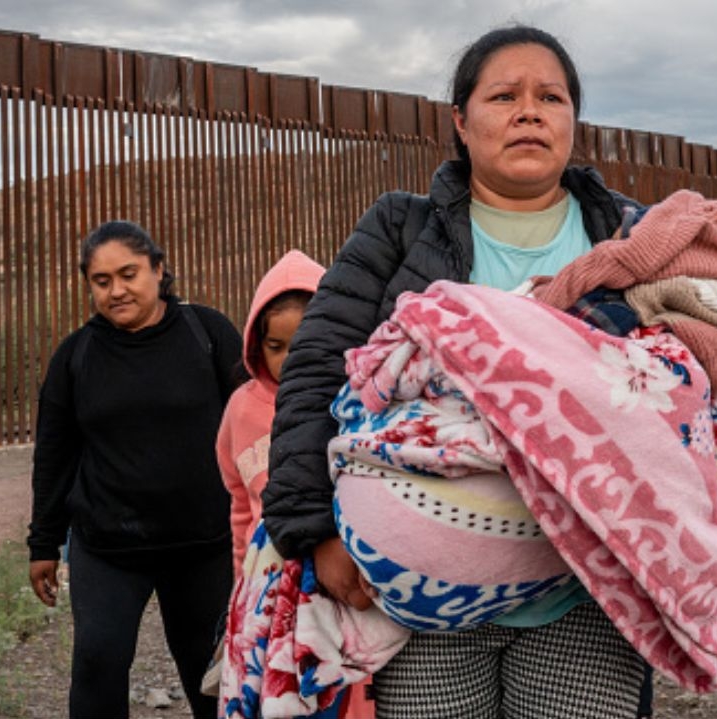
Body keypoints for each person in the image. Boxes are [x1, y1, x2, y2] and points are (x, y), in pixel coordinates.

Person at [262, 24, 651, 719]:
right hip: (422, 598)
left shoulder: (630, 239)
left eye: (551, 97)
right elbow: (316, 371)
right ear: (461, 122)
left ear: (572, 120)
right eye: (504, 95)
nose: (529, 110)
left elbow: (695, 392)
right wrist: (313, 528)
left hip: (587, 591)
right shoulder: (399, 230)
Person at [27, 220, 243, 719]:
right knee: (98, 664)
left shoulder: (207, 333)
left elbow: (251, 424)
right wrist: (44, 543)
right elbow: (55, 454)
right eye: (102, 281)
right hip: (108, 547)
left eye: (129, 274)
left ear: (158, 270)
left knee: (209, 673)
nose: (117, 290)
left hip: (202, 544)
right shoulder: (75, 356)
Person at [215, 248, 376, 718]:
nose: (291, 357)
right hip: (271, 588)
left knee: (347, 693)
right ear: (256, 346)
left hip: (340, 580)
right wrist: (241, 582)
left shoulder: (357, 401)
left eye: (305, 339)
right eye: (276, 346)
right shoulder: (242, 411)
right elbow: (240, 506)